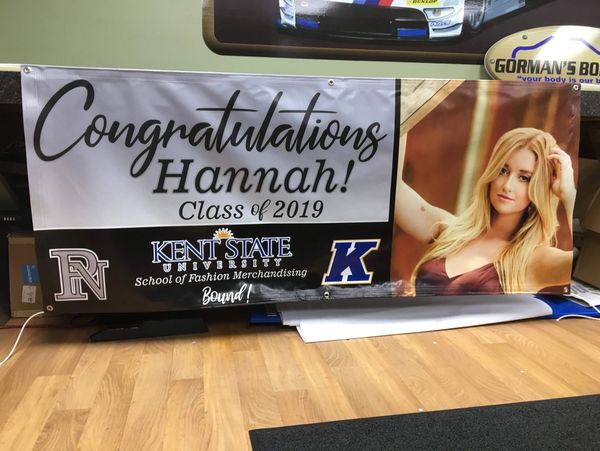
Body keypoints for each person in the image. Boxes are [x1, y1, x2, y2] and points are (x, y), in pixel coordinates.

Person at [395, 127, 576, 295]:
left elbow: (586, 268)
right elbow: (394, 191)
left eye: (524, 178)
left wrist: (569, 195)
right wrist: (402, 113)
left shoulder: (535, 260)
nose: (507, 185)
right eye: (503, 170)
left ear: (539, 187)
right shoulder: (450, 232)